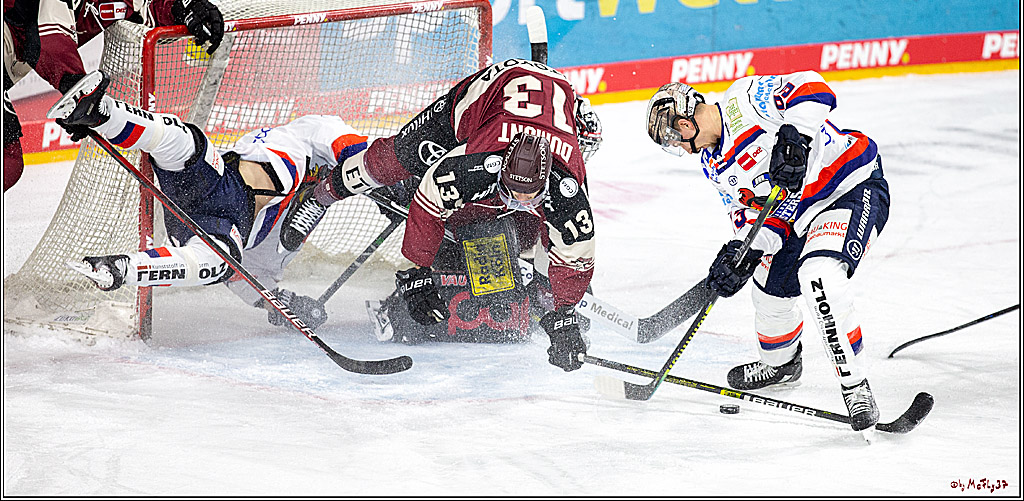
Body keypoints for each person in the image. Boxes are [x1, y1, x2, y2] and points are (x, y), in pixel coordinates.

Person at [279, 58, 604, 371]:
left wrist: (565, 310)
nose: (520, 199)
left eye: (528, 195)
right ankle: (323, 192)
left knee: (526, 229)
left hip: (544, 110)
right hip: (488, 95)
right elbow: (428, 201)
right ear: (499, 169)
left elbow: (573, 248)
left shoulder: (568, 189)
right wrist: (417, 269)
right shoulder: (470, 167)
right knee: (396, 159)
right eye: (512, 190)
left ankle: (495, 261)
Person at [645, 73, 889, 431]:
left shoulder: (742, 99)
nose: (682, 148)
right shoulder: (714, 165)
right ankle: (783, 365)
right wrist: (743, 253)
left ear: (684, 123)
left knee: (819, 275)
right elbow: (756, 216)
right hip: (797, 215)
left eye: (676, 140)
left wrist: (795, 137)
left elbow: (814, 90)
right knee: (768, 291)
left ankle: (856, 386)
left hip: (848, 187)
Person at [51, 70, 369, 330]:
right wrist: (392, 180)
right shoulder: (314, 134)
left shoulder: (305, 213)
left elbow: (250, 275)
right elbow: (362, 155)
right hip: (217, 184)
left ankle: (119, 269)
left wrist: (278, 300)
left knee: (220, 263)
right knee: (183, 140)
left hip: (221, 225)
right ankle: (100, 113)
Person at [3, 0, 224, 192]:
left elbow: (143, 13)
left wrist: (183, 9)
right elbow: (50, 44)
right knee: (8, 162)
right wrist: (77, 90)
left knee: (9, 162)